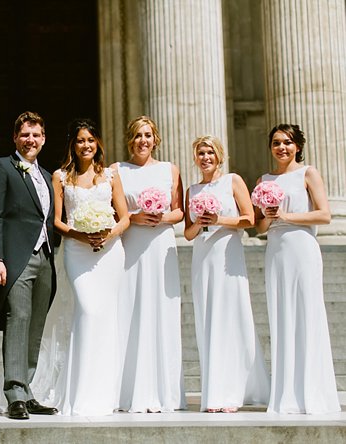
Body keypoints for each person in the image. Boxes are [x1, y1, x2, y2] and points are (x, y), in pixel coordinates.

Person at [254, 124, 340, 414]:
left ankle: (314, 393)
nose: (282, 148)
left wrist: (286, 215)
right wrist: (268, 216)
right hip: (276, 252)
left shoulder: (308, 173)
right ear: (270, 147)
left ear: (298, 146)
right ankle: (286, 396)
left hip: (303, 248)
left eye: (288, 143)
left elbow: (325, 214)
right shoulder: (263, 180)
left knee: (307, 314)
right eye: (277, 142)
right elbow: (261, 226)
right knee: (282, 317)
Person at [184, 135, 269, 413]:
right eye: (200, 153)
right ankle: (216, 389)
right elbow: (187, 233)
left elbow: (250, 219)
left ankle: (235, 390)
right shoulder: (192, 190)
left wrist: (219, 219)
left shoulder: (232, 180)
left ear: (219, 155)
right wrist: (199, 222)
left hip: (227, 255)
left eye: (210, 152)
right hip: (203, 257)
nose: (205, 157)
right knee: (208, 318)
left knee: (232, 316)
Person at [50, 119, 129, 415]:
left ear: (98, 144)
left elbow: (124, 218)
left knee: (106, 317)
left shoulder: (110, 175)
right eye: (81, 140)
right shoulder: (61, 177)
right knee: (88, 310)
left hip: (109, 253)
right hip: (77, 251)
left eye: (91, 140)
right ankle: (80, 389)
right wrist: (82, 234)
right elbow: (58, 221)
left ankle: (105, 390)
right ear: (73, 144)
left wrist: (107, 234)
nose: (86, 145)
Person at [0, 111, 58, 420]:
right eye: (25, 134)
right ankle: (14, 394)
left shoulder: (47, 175)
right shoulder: (2, 167)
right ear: (15, 137)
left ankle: (27, 390)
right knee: (18, 320)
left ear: (43, 139)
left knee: (35, 326)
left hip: (45, 258)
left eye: (36, 135)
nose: (31, 140)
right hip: (16, 259)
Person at [114, 115, 186, 413]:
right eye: (136, 136)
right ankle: (128, 391)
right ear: (129, 140)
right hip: (132, 245)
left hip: (161, 245)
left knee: (162, 310)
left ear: (155, 138)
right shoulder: (117, 171)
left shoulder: (171, 169)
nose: (142, 140)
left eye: (147, 135)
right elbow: (116, 211)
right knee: (130, 309)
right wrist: (135, 218)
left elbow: (180, 211)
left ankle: (165, 392)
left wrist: (159, 217)